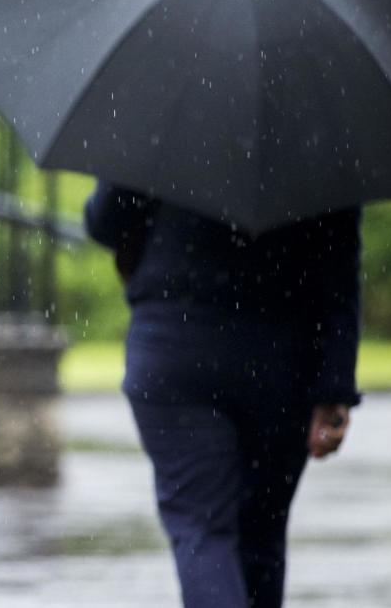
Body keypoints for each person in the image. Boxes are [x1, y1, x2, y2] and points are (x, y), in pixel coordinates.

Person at [85, 181, 361, 608]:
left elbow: (104, 221)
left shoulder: (163, 118)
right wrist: (335, 385)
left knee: (202, 528)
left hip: (175, 345)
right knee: (262, 535)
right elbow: (339, 269)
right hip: (282, 358)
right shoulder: (326, 131)